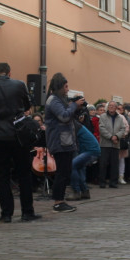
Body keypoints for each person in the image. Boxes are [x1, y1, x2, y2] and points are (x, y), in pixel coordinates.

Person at [0, 62, 40, 223]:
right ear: (9, 73)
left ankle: (6, 213)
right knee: (24, 174)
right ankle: (27, 211)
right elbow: (26, 105)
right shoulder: (19, 85)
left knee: (2, 176)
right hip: (18, 136)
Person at [43, 73, 85, 212]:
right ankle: (58, 202)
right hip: (59, 141)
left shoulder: (59, 99)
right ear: (60, 86)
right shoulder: (53, 100)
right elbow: (64, 116)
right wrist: (73, 105)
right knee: (62, 172)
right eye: (66, 86)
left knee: (65, 171)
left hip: (65, 141)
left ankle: (60, 200)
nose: (67, 89)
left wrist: (76, 108)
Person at [97, 100, 128, 189]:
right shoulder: (103, 116)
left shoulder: (120, 117)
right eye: (110, 105)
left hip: (116, 144)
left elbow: (123, 128)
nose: (111, 107)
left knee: (115, 164)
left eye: (113, 106)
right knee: (103, 164)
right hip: (105, 144)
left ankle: (113, 182)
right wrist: (111, 137)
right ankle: (102, 182)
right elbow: (101, 128)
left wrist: (117, 137)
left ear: (116, 108)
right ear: (107, 107)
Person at [69, 120, 100, 200]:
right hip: (91, 150)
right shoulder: (74, 125)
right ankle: (85, 192)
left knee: (72, 166)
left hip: (90, 151)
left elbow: (73, 144)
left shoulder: (72, 126)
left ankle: (76, 192)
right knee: (78, 167)